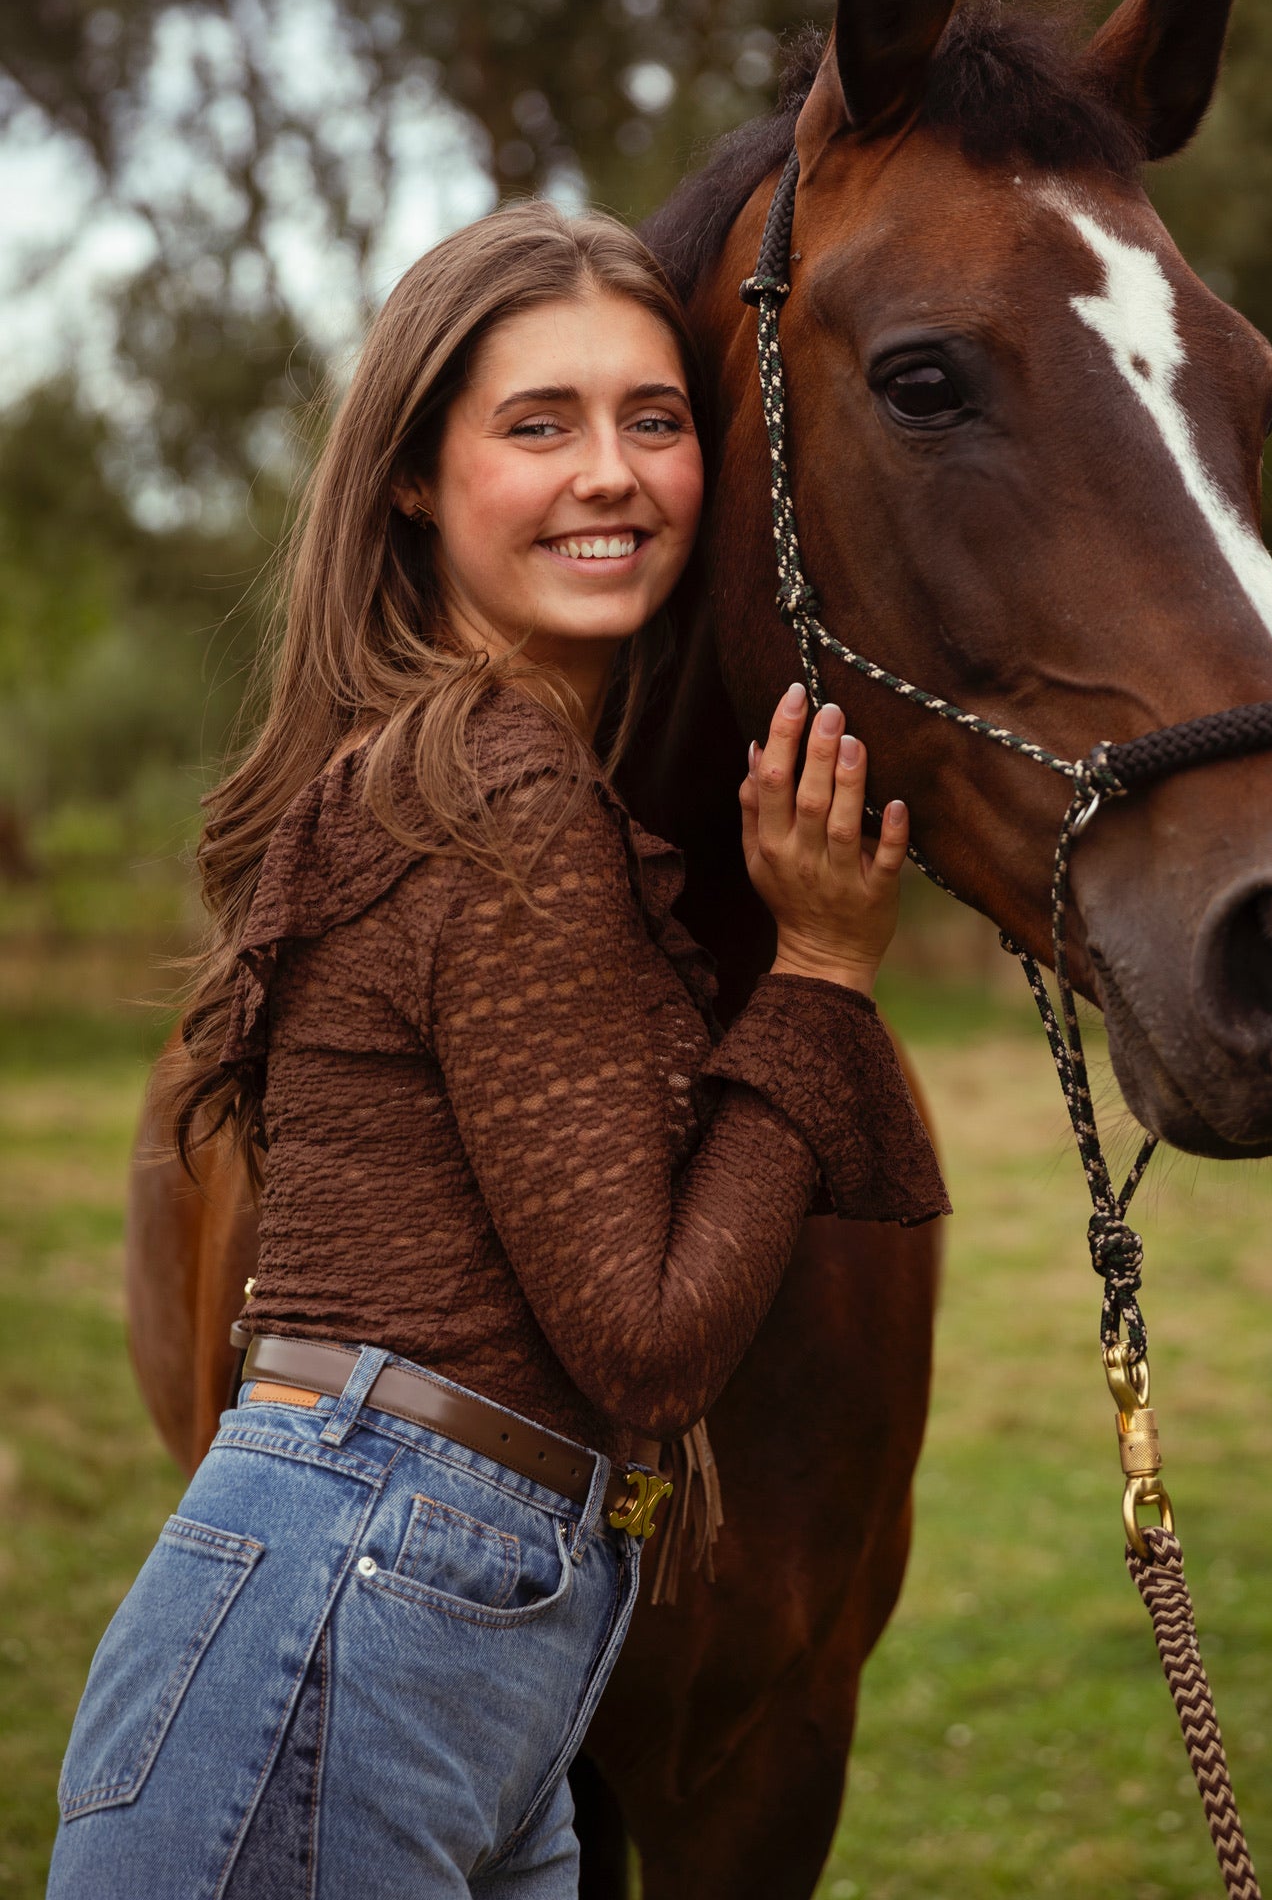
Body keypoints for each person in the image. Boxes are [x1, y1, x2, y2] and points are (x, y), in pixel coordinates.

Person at [48, 202, 947, 1898]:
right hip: (349, 1623)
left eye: (653, 419)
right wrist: (824, 970)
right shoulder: (498, 793)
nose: (611, 473)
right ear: (414, 476)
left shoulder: (458, 770)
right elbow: (649, 1350)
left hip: (437, 1627)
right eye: (539, 424)